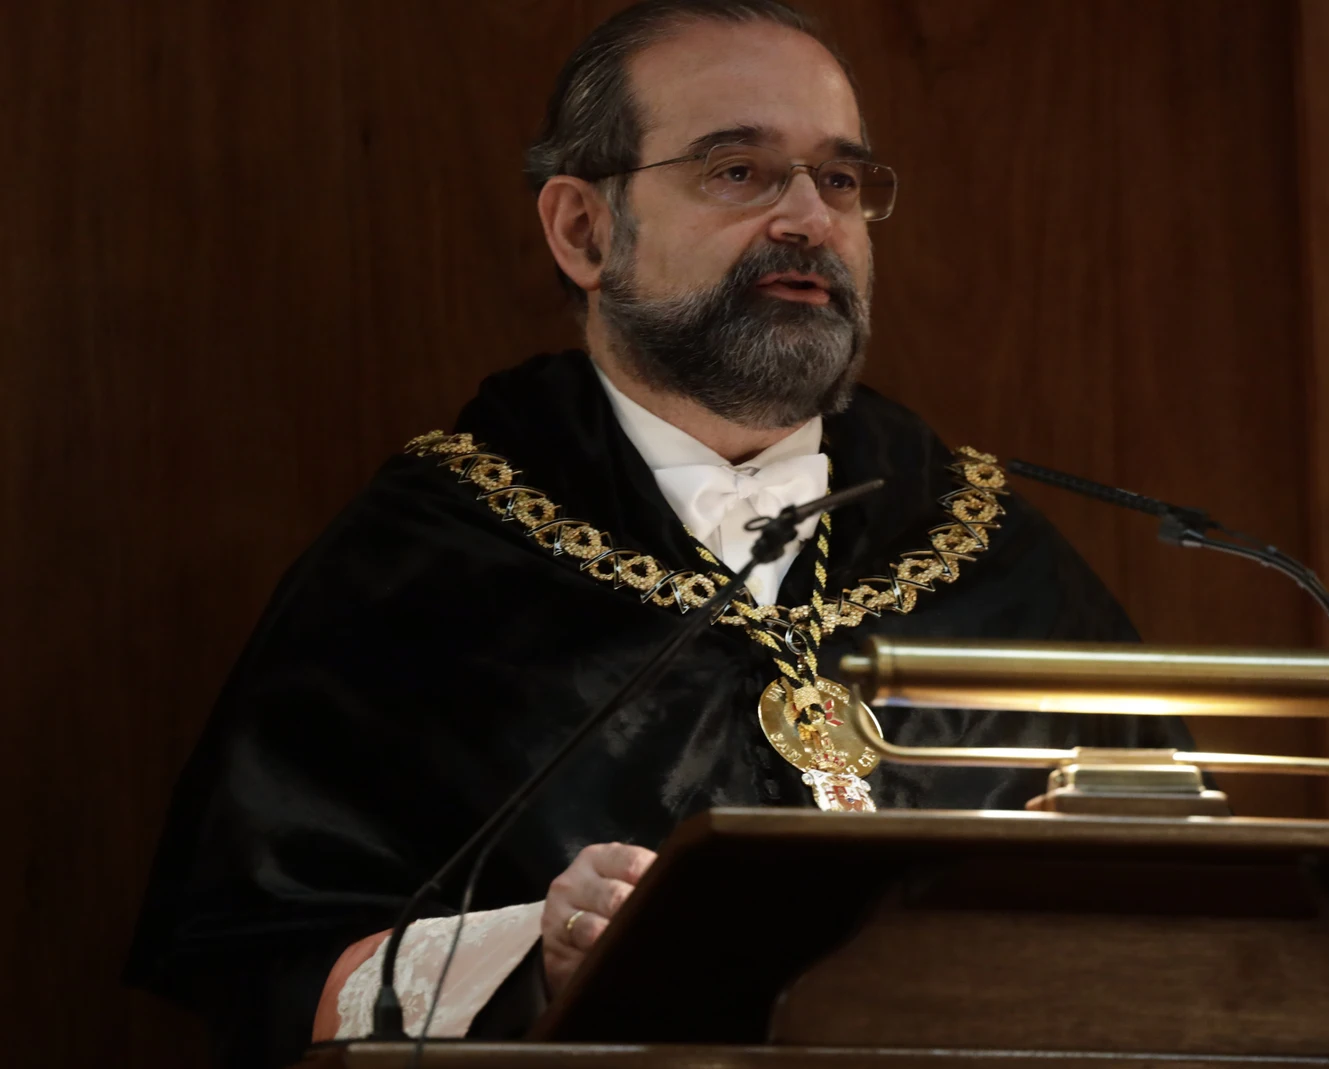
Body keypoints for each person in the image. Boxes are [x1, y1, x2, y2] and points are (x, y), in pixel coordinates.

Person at [125, 2, 1184, 1065]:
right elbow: (264, 973)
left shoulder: (1000, 561)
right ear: (583, 230)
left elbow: (1182, 930)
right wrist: (529, 957)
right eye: (739, 172)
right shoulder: (421, 575)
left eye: (841, 179)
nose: (810, 220)